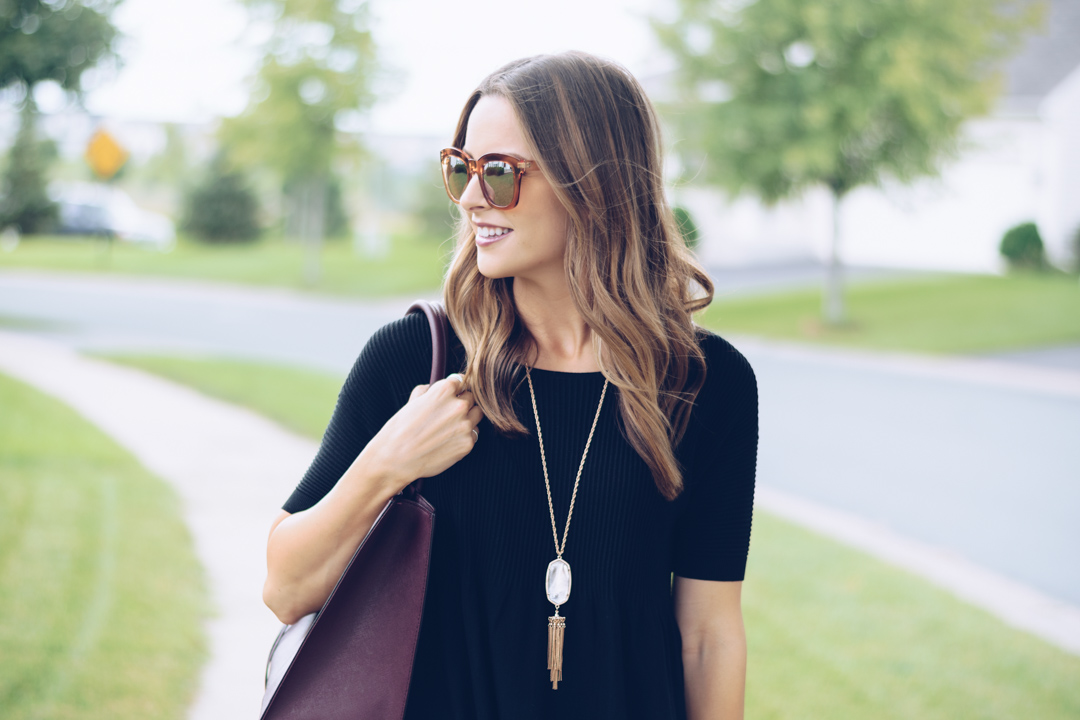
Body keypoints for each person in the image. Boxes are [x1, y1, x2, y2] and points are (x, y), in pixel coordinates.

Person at [263, 51, 758, 720]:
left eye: (500, 173)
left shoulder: (705, 383)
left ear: (595, 184)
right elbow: (286, 587)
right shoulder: (417, 362)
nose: (471, 198)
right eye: (461, 169)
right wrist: (388, 462)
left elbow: (709, 636)